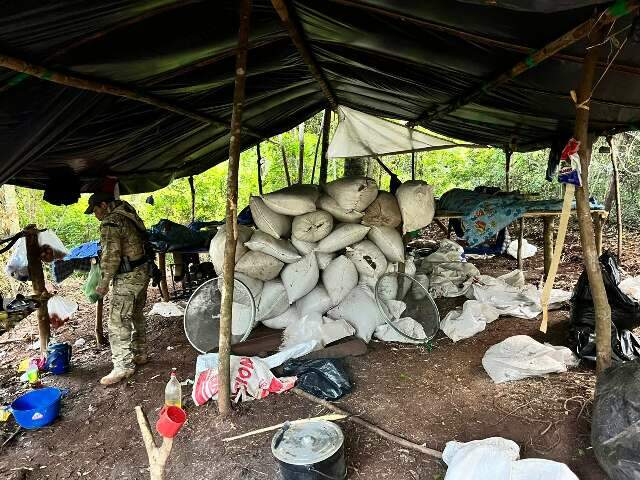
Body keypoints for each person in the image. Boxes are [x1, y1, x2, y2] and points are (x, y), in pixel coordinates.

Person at [85, 192, 150, 385]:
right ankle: (140, 353)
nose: (96, 215)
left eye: (96, 210)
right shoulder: (128, 214)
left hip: (128, 277)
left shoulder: (111, 222)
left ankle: (123, 367)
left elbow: (111, 257)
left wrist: (102, 285)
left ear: (104, 205)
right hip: (142, 271)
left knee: (117, 321)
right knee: (136, 315)